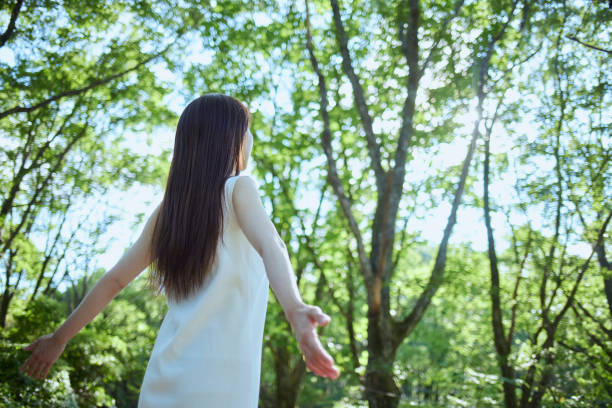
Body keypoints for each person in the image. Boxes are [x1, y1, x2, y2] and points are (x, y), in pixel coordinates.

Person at [20, 93, 340, 406]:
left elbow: (115, 280)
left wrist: (60, 337)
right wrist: (295, 309)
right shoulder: (239, 188)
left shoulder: (170, 212)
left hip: (165, 378)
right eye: (246, 128)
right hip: (219, 386)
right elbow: (272, 244)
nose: (250, 136)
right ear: (231, 139)